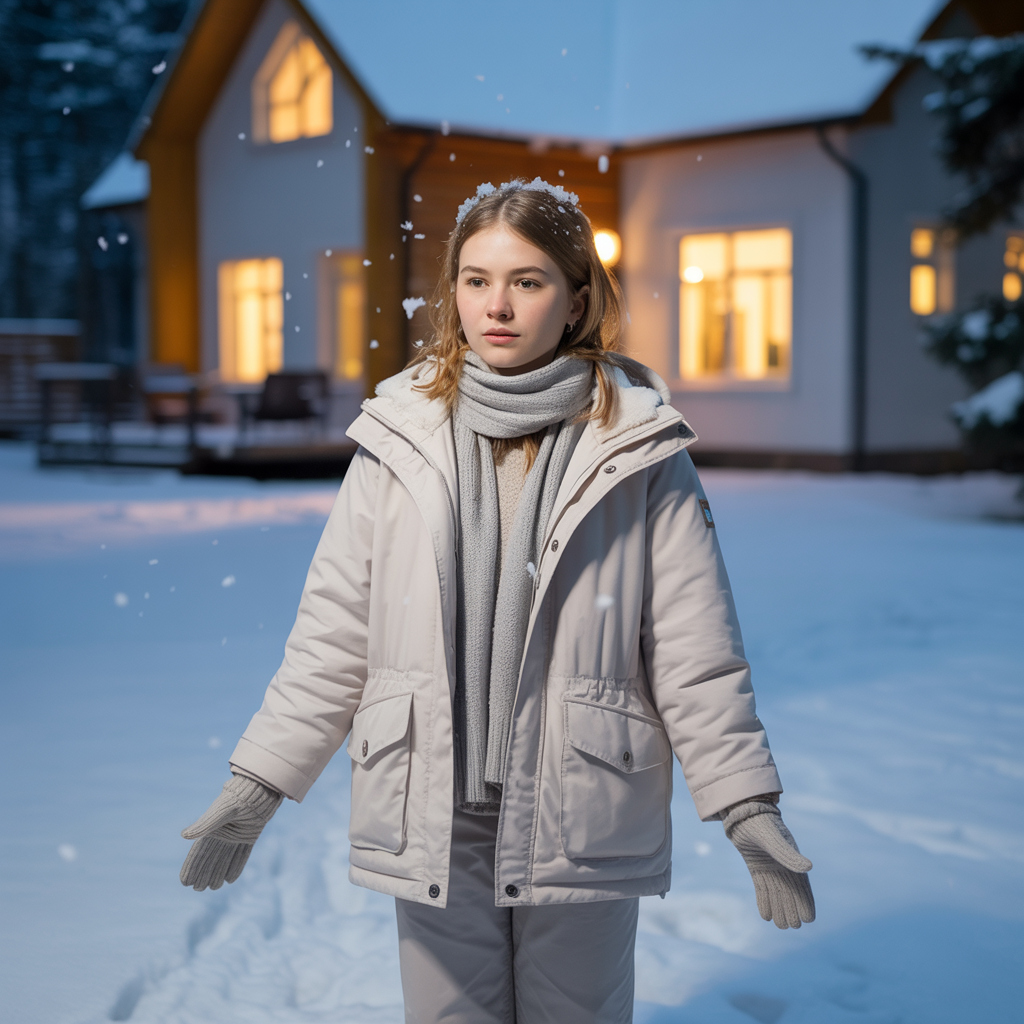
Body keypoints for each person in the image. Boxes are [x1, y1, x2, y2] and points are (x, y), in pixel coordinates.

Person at [180, 178, 814, 1023]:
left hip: (580, 800)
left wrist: (746, 804)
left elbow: (694, 651)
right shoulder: (396, 440)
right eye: (476, 280)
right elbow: (335, 637)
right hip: (432, 799)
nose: (498, 306)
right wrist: (259, 781)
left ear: (577, 296)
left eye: (528, 281)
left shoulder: (640, 451)